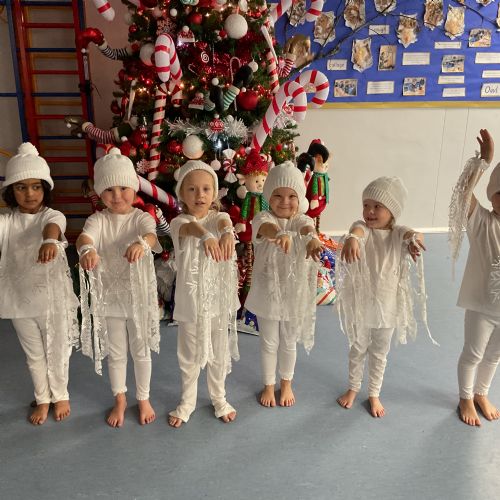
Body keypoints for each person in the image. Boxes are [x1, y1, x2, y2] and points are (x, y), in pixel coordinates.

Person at [76, 147, 162, 428]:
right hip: (110, 296)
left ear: (134, 188)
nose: (116, 195)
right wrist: (87, 249)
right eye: (109, 190)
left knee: (141, 350)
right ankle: (120, 398)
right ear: (100, 193)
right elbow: (85, 237)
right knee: (116, 353)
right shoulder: (98, 219)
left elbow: (150, 235)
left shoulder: (140, 217)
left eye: (123, 188)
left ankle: (144, 397)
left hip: (137, 297)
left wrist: (142, 244)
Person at [336, 176, 434, 417]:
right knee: (357, 348)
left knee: (380, 353)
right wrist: (353, 239)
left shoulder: (398, 233)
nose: (370, 211)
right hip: (362, 305)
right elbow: (357, 230)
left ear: (392, 212)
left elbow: (413, 234)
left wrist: (415, 240)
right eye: (366, 205)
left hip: (387, 308)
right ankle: (353, 387)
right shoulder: (363, 229)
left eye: (377, 206)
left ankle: (374, 393)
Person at [0, 142, 79, 425]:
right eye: (21, 187)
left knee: (57, 350)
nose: (30, 193)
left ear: (45, 188)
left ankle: (61, 394)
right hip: (19, 301)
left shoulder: (51, 216)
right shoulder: (7, 221)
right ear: (11, 191)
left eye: (36, 186)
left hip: (51, 301)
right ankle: (43, 398)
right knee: (34, 355)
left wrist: (48, 241)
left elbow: (53, 228)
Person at [168, 160, 239, 428]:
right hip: (191, 303)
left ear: (214, 193)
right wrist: (206, 236)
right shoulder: (179, 222)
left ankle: (219, 397)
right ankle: (187, 401)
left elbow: (223, 220)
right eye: (192, 189)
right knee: (189, 354)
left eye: (206, 189)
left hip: (218, 300)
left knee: (218, 351)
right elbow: (191, 228)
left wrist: (227, 233)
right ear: (182, 194)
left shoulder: (219, 218)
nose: (200, 195)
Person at [245, 161, 322, 408]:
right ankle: (269, 384)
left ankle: (286, 382)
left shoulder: (301, 219)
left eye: (291, 196)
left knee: (289, 341)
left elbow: (306, 227)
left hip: (292, 293)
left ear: (299, 199)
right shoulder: (263, 218)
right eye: (277, 195)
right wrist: (278, 234)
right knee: (269, 341)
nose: (285, 202)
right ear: (269, 197)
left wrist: (311, 239)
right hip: (268, 292)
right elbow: (266, 228)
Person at [449, 129, 500, 426]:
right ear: (493, 197)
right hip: (482, 307)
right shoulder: (483, 223)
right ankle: (465, 397)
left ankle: (481, 393)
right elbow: (462, 195)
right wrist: (484, 162)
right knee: (473, 354)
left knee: (494, 356)